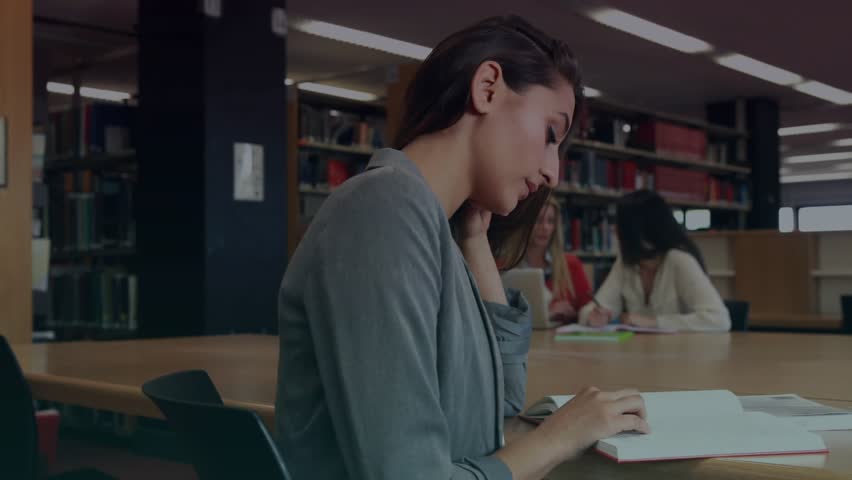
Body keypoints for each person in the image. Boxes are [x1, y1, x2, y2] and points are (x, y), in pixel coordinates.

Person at [276, 15, 649, 480]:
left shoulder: (433, 225)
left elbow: (498, 404)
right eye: (551, 134)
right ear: (488, 88)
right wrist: (558, 437)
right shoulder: (382, 207)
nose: (554, 171)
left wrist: (473, 240)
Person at [578, 190, 731, 332]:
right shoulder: (626, 263)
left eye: (620, 224)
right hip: (639, 355)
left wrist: (654, 322)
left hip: (683, 355)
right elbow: (596, 307)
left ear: (637, 229)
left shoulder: (679, 260)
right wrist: (593, 316)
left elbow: (719, 319)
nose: (615, 230)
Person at [516, 197, 592, 323]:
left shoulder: (571, 264)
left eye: (550, 221)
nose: (545, 227)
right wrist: (547, 314)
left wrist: (589, 313)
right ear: (524, 222)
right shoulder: (505, 266)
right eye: (538, 220)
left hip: (562, 340)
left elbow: (587, 308)